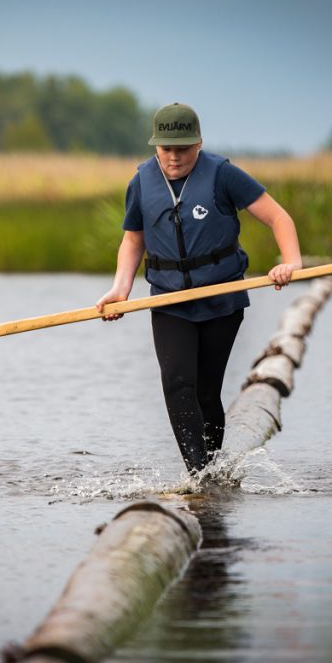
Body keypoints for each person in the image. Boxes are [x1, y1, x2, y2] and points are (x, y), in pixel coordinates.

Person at [95, 103, 302, 474]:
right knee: (177, 385)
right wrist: (119, 290)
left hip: (221, 300)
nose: (174, 157)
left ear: (200, 143)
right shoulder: (141, 182)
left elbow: (277, 217)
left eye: (183, 149)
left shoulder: (223, 175)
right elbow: (132, 241)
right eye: (166, 149)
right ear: (155, 145)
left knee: (206, 392)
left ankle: (211, 469)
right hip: (170, 301)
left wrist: (291, 262)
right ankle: (198, 476)